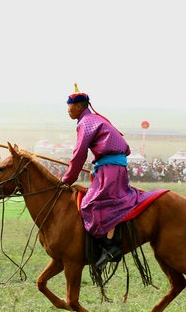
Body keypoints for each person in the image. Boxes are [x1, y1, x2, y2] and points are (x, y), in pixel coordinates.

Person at [60, 85, 141, 268]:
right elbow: (124, 148)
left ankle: (110, 246)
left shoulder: (86, 123)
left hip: (111, 169)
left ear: (79, 107)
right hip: (111, 167)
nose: (68, 110)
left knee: (90, 204)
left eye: (69, 107)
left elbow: (79, 153)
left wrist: (67, 179)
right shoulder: (95, 119)